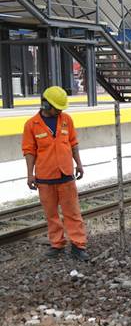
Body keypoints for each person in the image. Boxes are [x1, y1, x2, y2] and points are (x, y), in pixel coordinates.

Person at [21, 86, 89, 261]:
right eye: (56, 107)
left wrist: (79, 164)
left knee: (72, 212)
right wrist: (30, 174)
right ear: (45, 104)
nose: (59, 110)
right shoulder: (31, 125)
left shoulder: (66, 120)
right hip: (45, 177)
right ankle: (57, 244)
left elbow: (73, 143)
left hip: (66, 174)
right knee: (51, 214)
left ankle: (78, 245)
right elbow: (29, 151)